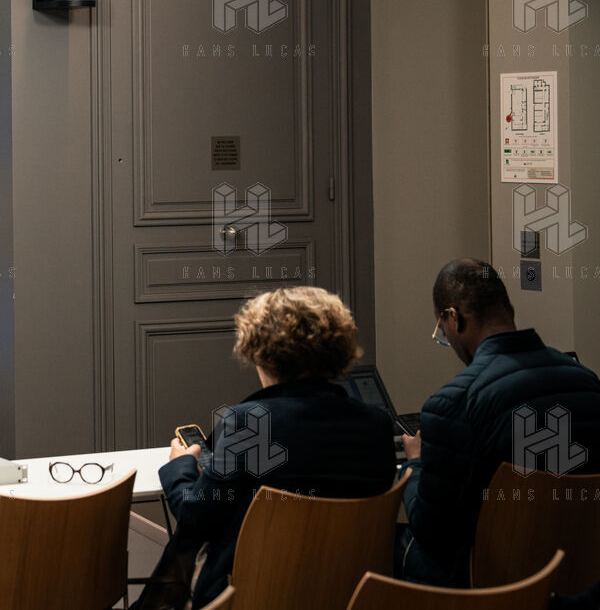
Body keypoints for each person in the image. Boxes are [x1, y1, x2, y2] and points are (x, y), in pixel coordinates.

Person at [146, 287, 397, 609]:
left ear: (259, 352)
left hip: (248, 597)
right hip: (348, 594)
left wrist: (179, 467)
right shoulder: (376, 425)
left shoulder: (249, 424)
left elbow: (195, 518)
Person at [397, 258, 600, 586]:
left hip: (493, 586)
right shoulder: (588, 383)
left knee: (399, 543)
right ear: (509, 309)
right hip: (580, 578)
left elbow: (434, 532)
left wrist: (415, 465)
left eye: (442, 331)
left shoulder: (453, 403)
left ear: (454, 318)